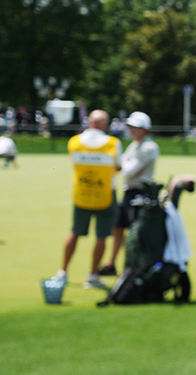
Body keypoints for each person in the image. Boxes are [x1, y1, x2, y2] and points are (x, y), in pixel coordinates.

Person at [57, 110, 121, 290]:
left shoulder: (74, 142)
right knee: (101, 236)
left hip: (82, 193)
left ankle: (62, 272)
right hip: (105, 194)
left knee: (75, 232)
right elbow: (118, 167)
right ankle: (92, 276)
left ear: (89, 123)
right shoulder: (113, 143)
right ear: (106, 125)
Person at [100, 110, 159, 276]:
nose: (132, 130)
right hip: (129, 192)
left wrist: (124, 165)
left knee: (135, 232)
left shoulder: (148, 147)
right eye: (131, 126)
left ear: (145, 129)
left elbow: (127, 170)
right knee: (118, 228)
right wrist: (124, 165)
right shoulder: (134, 145)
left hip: (140, 193)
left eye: (136, 127)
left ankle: (134, 265)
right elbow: (123, 165)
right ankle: (112, 264)